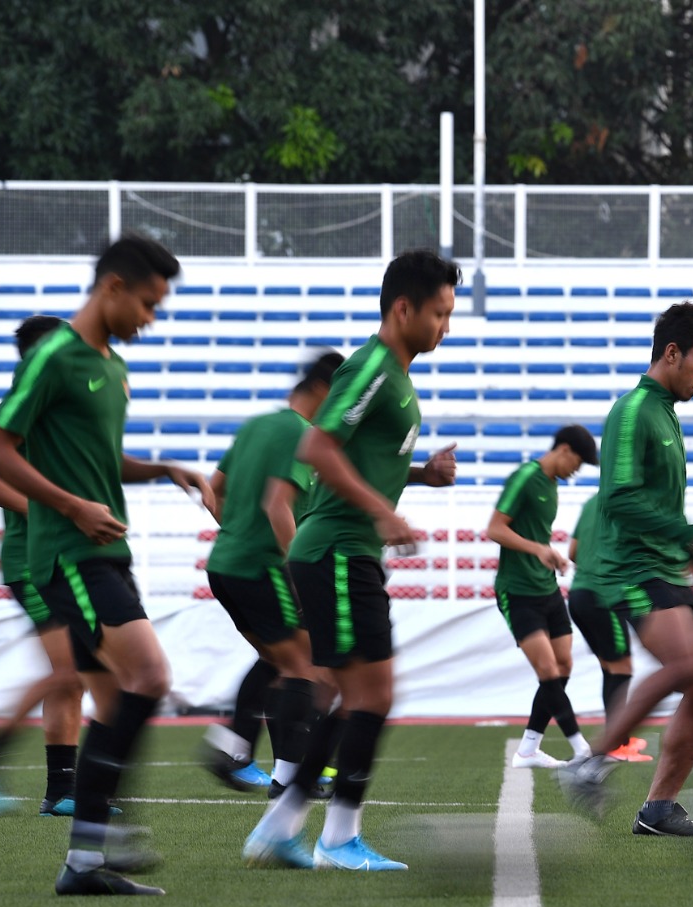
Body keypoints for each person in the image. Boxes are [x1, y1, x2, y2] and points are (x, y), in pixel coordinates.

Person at [0, 234, 216, 896]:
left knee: (119, 695)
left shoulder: (112, 367)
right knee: (149, 675)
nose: (151, 318)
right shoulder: (54, 354)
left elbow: (102, 462)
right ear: (111, 287)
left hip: (107, 553)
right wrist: (70, 507)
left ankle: (87, 856)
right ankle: (99, 835)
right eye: (147, 303)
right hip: (67, 554)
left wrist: (163, 469)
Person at [242, 250, 459, 871]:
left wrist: (420, 477)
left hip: (343, 551)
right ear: (403, 308)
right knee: (372, 695)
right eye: (440, 313)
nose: (446, 326)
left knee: (358, 695)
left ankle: (283, 826)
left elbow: (360, 461)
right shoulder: (372, 367)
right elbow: (318, 446)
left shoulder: (395, 376)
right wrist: (382, 513)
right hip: (337, 550)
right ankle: (335, 839)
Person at [559, 302, 693, 837]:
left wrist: (687, 552)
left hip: (665, 567)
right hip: (630, 569)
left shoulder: (667, 415)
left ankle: (658, 809)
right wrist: (687, 534)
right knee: (685, 666)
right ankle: (591, 763)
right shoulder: (634, 410)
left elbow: (655, 507)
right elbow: (618, 501)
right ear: (671, 353)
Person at [0, 316, 85, 817]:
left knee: (72, 675)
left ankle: (61, 791)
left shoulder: (51, 408)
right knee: (71, 669)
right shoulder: (23, 402)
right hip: (30, 561)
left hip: (55, 557)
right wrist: (44, 510)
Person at [200, 352, 343, 796]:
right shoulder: (302, 434)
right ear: (323, 389)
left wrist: (237, 532)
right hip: (264, 567)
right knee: (309, 667)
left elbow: (212, 492)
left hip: (225, 565)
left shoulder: (256, 425)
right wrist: (298, 573)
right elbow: (277, 505)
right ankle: (259, 764)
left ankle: (246, 754)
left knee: (279, 663)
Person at [489, 424, 598, 768]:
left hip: (547, 588)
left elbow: (535, 536)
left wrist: (550, 554)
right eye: (577, 464)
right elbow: (494, 528)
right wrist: (538, 549)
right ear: (563, 450)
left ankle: (528, 749)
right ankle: (581, 749)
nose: (575, 473)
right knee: (548, 669)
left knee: (564, 665)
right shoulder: (526, 476)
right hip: (517, 591)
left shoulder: (552, 487)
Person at [567, 493, 650, 764]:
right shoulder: (630, 501)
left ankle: (619, 740)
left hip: (579, 594)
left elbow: (572, 552)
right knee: (622, 668)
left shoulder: (592, 501)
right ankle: (617, 744)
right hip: (604, 597)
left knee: (611, 666)